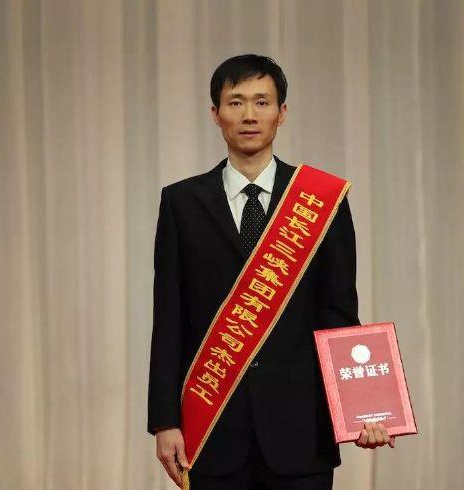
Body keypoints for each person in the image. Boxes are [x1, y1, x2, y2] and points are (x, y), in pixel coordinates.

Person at [147, 54, 395, 490]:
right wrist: (165, 421)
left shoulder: (321, 200)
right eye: (236, 102)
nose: (249, 115)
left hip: (302, 429)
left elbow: (338, 313)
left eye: (262, 102)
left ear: (282, 113)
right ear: (215, 113)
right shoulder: (181, 203)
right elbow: (168, 320)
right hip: (213, 425)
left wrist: (362, 407)